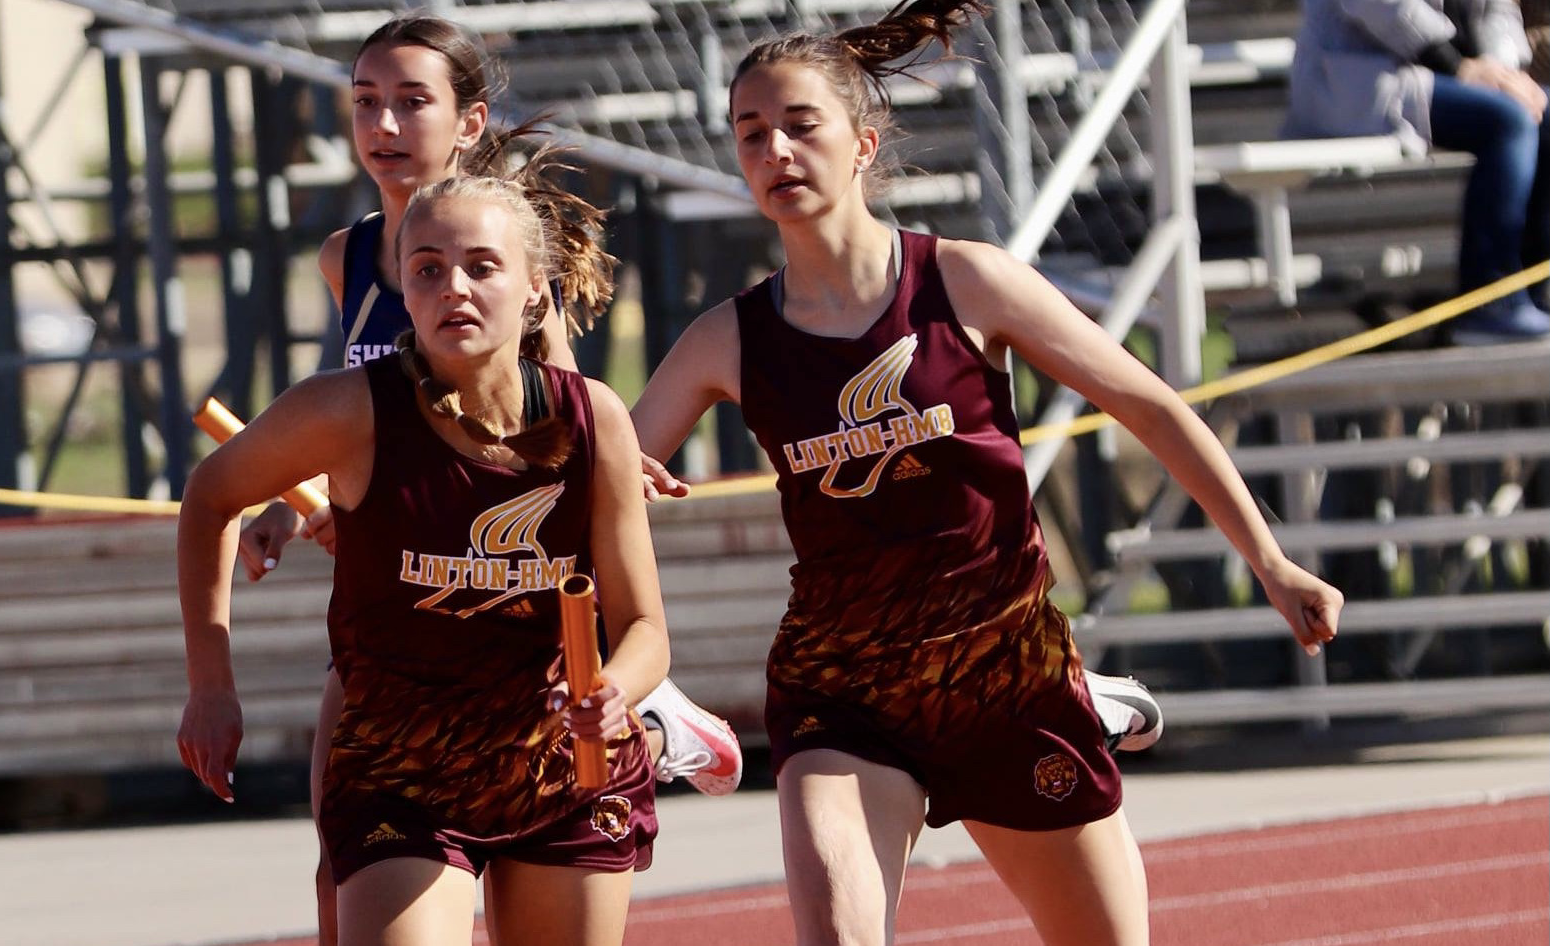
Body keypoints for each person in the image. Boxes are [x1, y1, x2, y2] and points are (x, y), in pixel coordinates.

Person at [630, 2, 1344, 943]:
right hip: (842, 691)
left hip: (1004, 676)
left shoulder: (964, 282)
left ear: (861, 144)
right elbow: (608, 480)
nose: (776, 152)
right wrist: (622, 476)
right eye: (751, 134)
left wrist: (1271, 561)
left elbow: (1152, 406)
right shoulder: (727, 337)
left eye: (801, 126)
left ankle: (1083, 695)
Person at [228, 14, 741, 945]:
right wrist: (283, 500)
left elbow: (551, 402)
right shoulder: (349, 257)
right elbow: (351, 401)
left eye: (410, 104)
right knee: (335, 870)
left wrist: (613, 461)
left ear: (468, 123)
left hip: (507, 587)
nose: (383, 126)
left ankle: (652, 710)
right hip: (397, 591)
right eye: (365, 104)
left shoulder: (506, 252)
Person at [179, 173, 667, 946]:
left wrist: (616, 689)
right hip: (402, 773)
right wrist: (211, 686)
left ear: (535, 289)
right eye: (428, 269)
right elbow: (209, 496)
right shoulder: (345, 410)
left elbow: (643, 626)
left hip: (555, 769)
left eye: (482, 265)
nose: (455, 288)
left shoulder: (591, 416)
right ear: (403, 290)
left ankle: (668, 732)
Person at [1284, 0, 1550, 342]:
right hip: (1356, 80)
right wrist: (1458, 67)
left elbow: (1496, 11)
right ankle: (1489, 303)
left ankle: (1527, 292)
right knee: (1508, 122)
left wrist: (1501, 72)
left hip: (1441, 76)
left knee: (1540, 114)